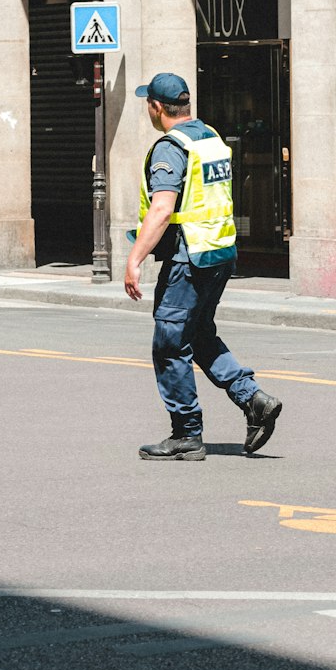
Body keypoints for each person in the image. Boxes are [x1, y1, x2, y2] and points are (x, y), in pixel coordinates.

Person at [124, 72, 283, 462]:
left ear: (157, 108)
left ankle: (186, 435)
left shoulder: (170, 148)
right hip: (219, 252)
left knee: (170, 342)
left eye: (149, 103)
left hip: (189, 257)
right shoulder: (209, 137)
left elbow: (162, 207)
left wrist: (134, 258)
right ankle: (253, 400)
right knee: (198, 333)